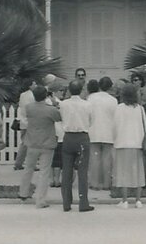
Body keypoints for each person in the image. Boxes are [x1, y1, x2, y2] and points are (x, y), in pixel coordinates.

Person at [18, 86, 62, 208]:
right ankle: (40, 200)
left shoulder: (29, 108)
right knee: (44, 171)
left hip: (32, 142)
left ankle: (23, 193)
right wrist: (54, 103)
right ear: (46, 96)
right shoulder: (50, 109)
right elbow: (59, 117)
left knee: (28, 168)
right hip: (47, 143)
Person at [59, 79, 94, 212]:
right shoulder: (87, 105)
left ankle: (66, 203)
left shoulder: (63, 104)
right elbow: (91, 121)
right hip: (82, 137)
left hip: (68, 137)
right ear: (81, 90)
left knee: (67, 171)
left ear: (69, 90)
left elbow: (61, 117)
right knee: (82, 171)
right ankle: (83, 202)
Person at [113, 83, 146, 209]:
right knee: (138, 171)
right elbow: (144, 126)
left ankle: (125, 200)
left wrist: (115, 138)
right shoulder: (140, 109)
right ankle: (138, 200)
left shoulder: (119, 108)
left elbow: (115, 125)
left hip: (122, 142)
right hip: (137, 143)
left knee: (123, 172)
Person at [88, 76, 118, 190]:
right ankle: (106, 183)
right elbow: (115, 118)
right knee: (107, 158)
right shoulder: (113, 100)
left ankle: (94, 183)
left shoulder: (91, 98)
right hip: (108, 132)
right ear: (110, 87)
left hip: (94, 130)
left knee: (94, 158)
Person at [13, 79, 36, 170]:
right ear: (30, 86)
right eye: (34, 84)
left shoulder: (22, 95)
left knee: (24, 143)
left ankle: (18, 163)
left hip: (23, 121)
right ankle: (30, 164)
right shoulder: (32, 96)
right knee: (31, 144)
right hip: (30, 122)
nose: (35, 85)